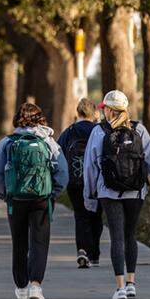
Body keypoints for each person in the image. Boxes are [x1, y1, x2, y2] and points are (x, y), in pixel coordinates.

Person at [83, 90, 150, 299]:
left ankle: (119, 287)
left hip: (108, 193)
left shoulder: (99, 132)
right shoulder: (139, 130)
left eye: (105, 109)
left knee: (116, 237)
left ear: (110, 110)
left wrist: (89, 196)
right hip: (136, 192)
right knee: (131, 235)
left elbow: (90, 167)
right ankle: (131, 283)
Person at [0, 102, 68, 299]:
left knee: (19, 242)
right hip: (41, 198)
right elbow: (62, 172)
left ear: (18, 119)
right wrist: (53, 193)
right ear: (40, 118)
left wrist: (4, 194)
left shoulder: (7, 142)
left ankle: (21, 285)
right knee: (40, 242)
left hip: (15, 199)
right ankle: (36, 284)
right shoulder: (48, 142)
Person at [57, 97, 103, 268]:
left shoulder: (69, 131)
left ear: (78, 113)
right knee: (96, 216)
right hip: (96, 181)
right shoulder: (99, 130)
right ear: (94, 113)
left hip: (74, 181)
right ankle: (95, 254)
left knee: (80, 216)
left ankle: (82, 250)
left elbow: (58, 153)